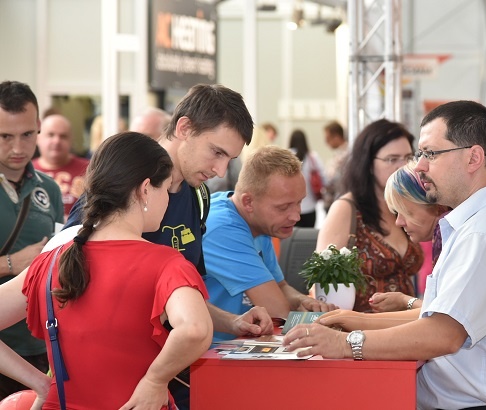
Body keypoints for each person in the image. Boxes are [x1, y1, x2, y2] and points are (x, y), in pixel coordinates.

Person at [284, 101, 486, 409]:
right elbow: (438, 316)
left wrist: (346, 343)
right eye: (420, 154)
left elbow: (443, 334)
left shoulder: (484, 233)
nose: (419, 166)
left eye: (431, 153)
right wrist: (354, 322)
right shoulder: (479, 224)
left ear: (473, 157)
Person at [64, 83, 269, 410]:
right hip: (113, 384)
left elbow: (183, 300)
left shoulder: (198, 197)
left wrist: (232, 322)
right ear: (184, 128)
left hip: (175, 379)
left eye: (228, 159)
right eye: (216, 152)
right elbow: (64, 280)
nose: (219, 170)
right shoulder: (120, 187)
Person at [0, 131, 216, 408]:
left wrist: (40, 382)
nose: (169, 200)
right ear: (146, 189)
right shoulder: (166, 263)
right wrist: (155, 380)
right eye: (165, 189)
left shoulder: (51, 261)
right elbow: (195, 329)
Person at [202, 146, 334, 341]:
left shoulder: (258, 223)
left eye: (299, 202)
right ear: (248, 202)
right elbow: (277, 311)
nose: (296, 215)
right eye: (284, 207)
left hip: (233, 347)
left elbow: (280, 286)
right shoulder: (223, 228)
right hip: (205, 357)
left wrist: (302, 301)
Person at [316, 119, 423, 312]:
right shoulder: (346, 209)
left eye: (408, 158)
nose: (402, 166)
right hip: (359, 330)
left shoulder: (407, 205)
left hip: (407, 328)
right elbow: (321, 281)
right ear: (369, 164)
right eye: (392, 159)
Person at [0, 81, 64, 400]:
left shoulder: (49, 190)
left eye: (27, 134)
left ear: (38, 127)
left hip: (40, 348)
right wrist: (13, 263)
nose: (17, 148)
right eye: (5, 137)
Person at [371, 161, 450, 312]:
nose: (398, 222)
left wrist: (404, 301)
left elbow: (440, 315)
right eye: (396, 213)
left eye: (407, 212)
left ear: (435, 206)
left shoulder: (446, 234)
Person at [32, 114, 89, 219]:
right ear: (37, 138)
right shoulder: (25, 171)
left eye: (63, 136)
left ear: (71, 140)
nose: (57, 141)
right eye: (50, 135)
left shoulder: (91, 169)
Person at [288, 129, 325, 227]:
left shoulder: (286, 156)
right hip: (310, 206)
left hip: (290, 208)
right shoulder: (313, 157)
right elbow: (323, 177)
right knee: (307, 239)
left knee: (291, 239)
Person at [322, 120, 348, 211]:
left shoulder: (344, 156)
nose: (326, 142)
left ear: (336, 137)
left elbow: (331, 179)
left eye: (328, 138)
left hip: (338, 202)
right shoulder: (341, 154)